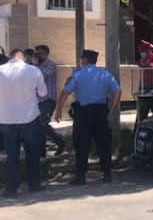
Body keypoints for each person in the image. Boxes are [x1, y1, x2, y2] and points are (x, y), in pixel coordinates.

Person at [54, 49, 121, 185]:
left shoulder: (78, 75)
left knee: (81, 144)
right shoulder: (105, 74)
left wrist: (59, 110)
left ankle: (81, 176)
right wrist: (112, 109)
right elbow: (118, 91)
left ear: (84, 60)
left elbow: (65, 92)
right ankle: (107, 174)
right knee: (103, 144)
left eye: (81, 58)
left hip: (83, 113)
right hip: (100, 112)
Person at [0, 48, 48, 197]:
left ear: (10, 57)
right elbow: (43, 94)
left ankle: (11, 188)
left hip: (6, 118)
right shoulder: (33, 71)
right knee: (32, 152)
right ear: (23, 58)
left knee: (11, 154)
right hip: (29, 117)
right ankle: (34, 184)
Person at [34, 44, 67, 157]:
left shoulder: (50, 65)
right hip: (36, 100)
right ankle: (41, 153)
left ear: (47, 54)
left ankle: (60, 143)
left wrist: (36, 65)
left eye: (41, 54)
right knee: (38, 126)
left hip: (48, 99)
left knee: (42, 122)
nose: (39, 56)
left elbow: (42, 78)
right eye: (37, 54)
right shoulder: (35, 66)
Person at [137, 40, 153, 121]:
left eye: (143, 51)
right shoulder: (143, 59)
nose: (142, 53)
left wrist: (143, 65)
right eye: (141, 51)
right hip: (144, 86)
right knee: (142, 111)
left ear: (148, 50)